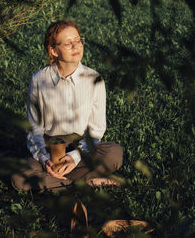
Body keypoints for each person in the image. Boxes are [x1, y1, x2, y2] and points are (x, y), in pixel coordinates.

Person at [11, 20, 123, 192]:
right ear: (54, 51)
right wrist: (44, 159)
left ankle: (57, 183)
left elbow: (96, 130)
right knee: (19, 178)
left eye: (78, 40)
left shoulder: (94, 79)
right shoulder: (39, 79)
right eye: (68, 43)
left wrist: (75, 157)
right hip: (50, 147)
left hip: (81, 147)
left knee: (114, 153)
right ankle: (83, 182)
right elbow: (34, 129)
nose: (76, 46)